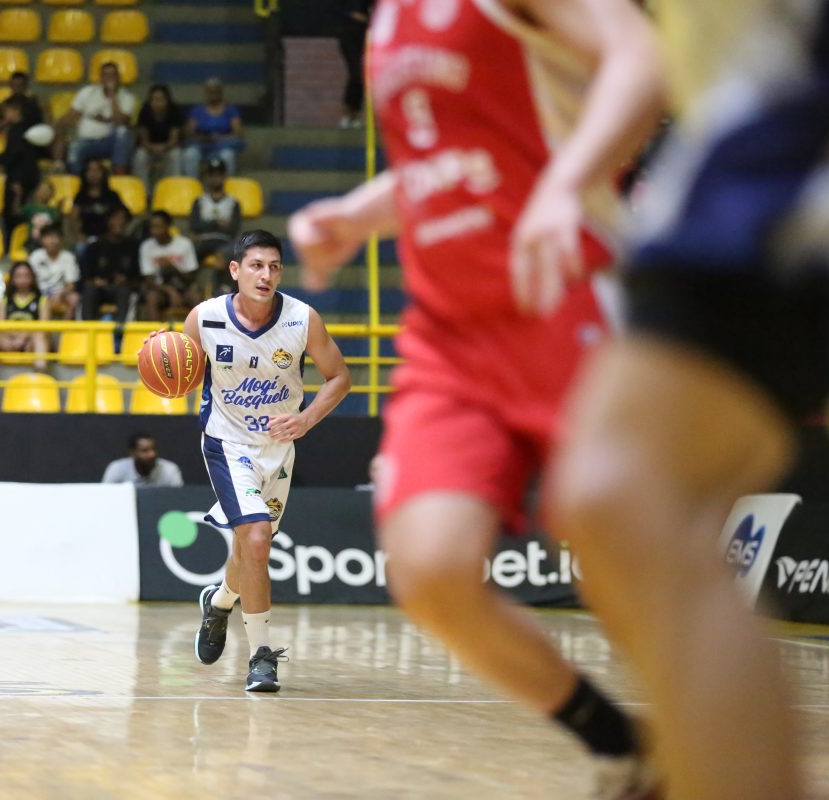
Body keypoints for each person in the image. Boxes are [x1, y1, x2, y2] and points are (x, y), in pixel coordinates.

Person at [288, 0, 665, 795]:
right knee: (430, 570)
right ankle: (623, 744)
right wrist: (356, 215)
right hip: (451, 334)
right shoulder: (388, 20)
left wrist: (568, 183)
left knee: (623, 550)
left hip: (564, 293)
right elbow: (446, 164)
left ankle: (724, 752)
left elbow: (640, 59)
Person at [546, 5, 829, 799]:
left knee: (623, 491)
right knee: (634, 501)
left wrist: (567, 178)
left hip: (790, 141)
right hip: (760, 141)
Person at [173, 230, 350, 693]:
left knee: (250, 548)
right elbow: (177, 372)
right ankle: (261, 656)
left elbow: (339, 377)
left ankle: (219, 603)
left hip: (278, 449)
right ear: (235, 270)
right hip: (227, 443)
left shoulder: (302, 319)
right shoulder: (205, 317)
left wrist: (306, 419)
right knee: (256, 536)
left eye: (273, 267)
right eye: (255, 266)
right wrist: (160, 351)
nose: (265, 275)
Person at [60, 61, 135, 177]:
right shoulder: (87, 92)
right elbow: (71, 115)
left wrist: (112, 96)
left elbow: (120, 122)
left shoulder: (126, 97)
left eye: (112, 75)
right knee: (75, 147)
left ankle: (119, 176)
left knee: (122, 131)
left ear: (119, 77)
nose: (109, 78)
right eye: (105, 75)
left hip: (110, 143)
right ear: (100, 78)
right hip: (86, 141)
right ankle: (78, 181)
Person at [0, 97, 46, 250]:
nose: (5, 115)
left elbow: (12, 155)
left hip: (18, 178)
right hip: (29, 176)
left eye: (7, 111)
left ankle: (11, 246)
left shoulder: (16, 130)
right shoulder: (30, 128)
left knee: (12, 215)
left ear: (16, 111)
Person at [0, 260, 46, 374]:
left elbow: (44, 327)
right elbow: (0, 325)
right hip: (9, 340)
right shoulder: (5, 300)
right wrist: (14, 340)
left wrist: (23, 337)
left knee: (39, 335)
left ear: (32, 278)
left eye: (26, 276)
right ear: (12, 279)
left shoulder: (42, 300)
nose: (22, 279)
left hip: (29, 342)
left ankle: (40, 371)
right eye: (19, 276)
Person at [188, 158, 242, 296]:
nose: (215, 178)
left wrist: (206, 224)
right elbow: (194, 225)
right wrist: (218, 223)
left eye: (218, 175)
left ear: (224, 177)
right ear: (207, 177)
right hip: (203, 241)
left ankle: (224, 290)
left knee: (231, 253)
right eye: (212, 175)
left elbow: (233, 229)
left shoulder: (233, 202)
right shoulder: (199, 201)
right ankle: (190, 288)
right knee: (187, 251)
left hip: (224, 241)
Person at [80, 206, 139, 321]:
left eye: (123, 219)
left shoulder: (133, 246)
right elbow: (85, 277)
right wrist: (96, 281)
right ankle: (87, 327)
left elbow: (138, 278)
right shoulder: (95, 246)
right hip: (98, 289)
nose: (119, 222)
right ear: (108, 221)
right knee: (89, 289)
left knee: (125, 291)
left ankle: (120, 329)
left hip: (121, 290)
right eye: (115, 218)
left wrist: (126, 281)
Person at [138, 210, 199, 321]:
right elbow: (149, 280)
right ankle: (155, 331)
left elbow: (191, 278)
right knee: (152, 298)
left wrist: (173, 268)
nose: (155, 231)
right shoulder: (146, 246)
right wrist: (169, 291)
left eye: (159, 227)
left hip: (182, 288)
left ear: (168, 226)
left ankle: (197, 331)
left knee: (196, 297)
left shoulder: (184, 244)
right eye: (152, 227)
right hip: (159, 290)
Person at [183, 78, 244, 179]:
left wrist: (220, 138)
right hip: (202, 145)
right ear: (206, 92)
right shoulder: (197, 111)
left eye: (216, 90)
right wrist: (203, 137)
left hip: (223, 145)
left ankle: (226, 186)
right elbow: (189, 133)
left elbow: (238, 133)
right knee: (190, 154)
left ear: (221, 92)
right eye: (210, 91)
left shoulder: (231, 110)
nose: (213, 94)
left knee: (228, 156)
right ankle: (192, 185)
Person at [133, 84, 184, 194]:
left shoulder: (174, 112)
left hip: (168, 148)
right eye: (155, 99)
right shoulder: (144, 112)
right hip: (149, 149)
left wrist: (164, 147)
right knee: (140, 156)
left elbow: (174, 139)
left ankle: (172, 191)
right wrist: (152, 147)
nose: (158, 102)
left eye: (161, 99)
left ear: (167, 100)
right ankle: (144, 193)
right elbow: (143, 139)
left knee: (176, 154)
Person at [70, 159, 125, 254]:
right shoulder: (80, 196)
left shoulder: (112, 196)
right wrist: (80, 236)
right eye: (90, 170)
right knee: (80, 249)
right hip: (86, 238)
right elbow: (73, 219)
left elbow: (121, 215)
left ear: (103, 173)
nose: (93, 174)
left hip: (108, 238)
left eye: (97, 170)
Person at [28, 224, 80, 321]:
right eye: (48, 237)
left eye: (55, 237)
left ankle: (64, 328)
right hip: (38, 293)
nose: (52, 241)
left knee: (74, 298)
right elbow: (30, 280)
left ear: (61, 239)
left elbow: (71, 284)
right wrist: (42, 295)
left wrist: (60, 294)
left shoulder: (68, 257)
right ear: (42, 240)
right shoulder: (35, 256)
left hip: (61, 294)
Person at [102, 433, 184, 487]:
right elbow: (105, 496)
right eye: (145, 451)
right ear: (132, 453)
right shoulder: (117, 468)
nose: (152, 454)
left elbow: (179, 498)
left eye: (154, 449)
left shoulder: (169, 470)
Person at [337, 1, 372, 129]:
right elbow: (350, 12)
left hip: (364, 36)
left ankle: (355, 113)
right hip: (350, 36)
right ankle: (348, 113)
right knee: (356, 72)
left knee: (362, 75)